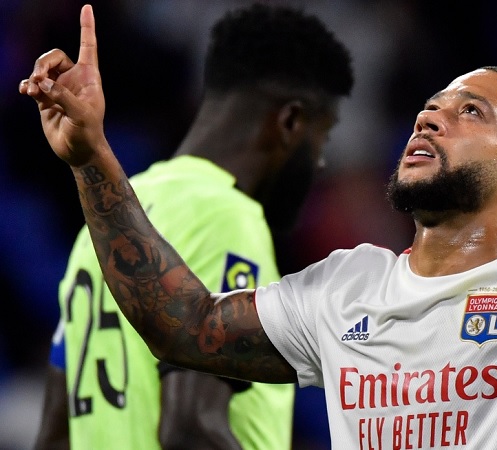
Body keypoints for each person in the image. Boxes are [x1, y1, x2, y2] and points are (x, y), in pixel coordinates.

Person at [22, 6, 497, 449]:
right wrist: (91, 156)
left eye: (471, 112)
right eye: (430, 107)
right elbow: (184, 327)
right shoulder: (343, 288)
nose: (430, 117)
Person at [29, 4, 353, 449]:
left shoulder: (101, 226)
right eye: (323, 137)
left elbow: (54, 437)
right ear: (290, 122)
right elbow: (191, 428)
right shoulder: (224, 215)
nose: (320, 163)